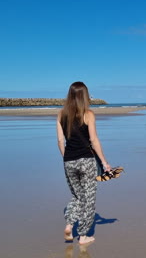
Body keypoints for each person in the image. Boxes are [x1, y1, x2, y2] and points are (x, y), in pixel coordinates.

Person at [56, 81, 111, 245]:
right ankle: (83, 236)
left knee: (77, 196)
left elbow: (60, 140)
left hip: (69, 161)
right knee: (88, 199)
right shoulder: (89, 114)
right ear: (85, 96)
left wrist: (67, 158)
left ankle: (69, 224)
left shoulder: (61, 114)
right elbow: (93, 140)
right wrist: (104, 162)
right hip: (87, 161)